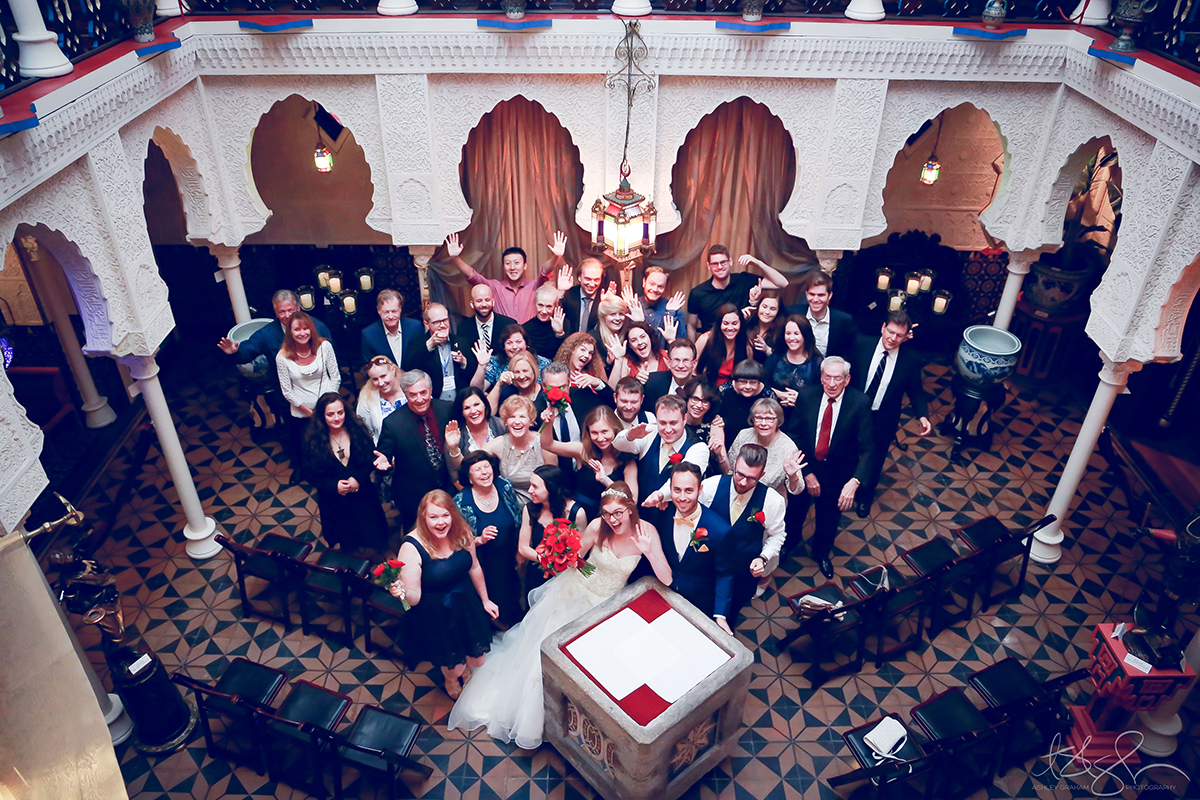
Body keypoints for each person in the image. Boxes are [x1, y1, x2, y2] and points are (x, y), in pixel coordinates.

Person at [447, 481, 672, 749]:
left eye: (618, 513)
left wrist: (648, 552)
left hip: (608, 607)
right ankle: (540, 716)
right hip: (574, 593)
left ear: (630, 510)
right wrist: (567, 559)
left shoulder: (647, 532)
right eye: (607, 513)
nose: (612, 520)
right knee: (550, 653)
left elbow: (666, 579)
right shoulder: (597, 527)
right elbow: (577, 556)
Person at [392, 491, 499, 699]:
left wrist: (485, 599)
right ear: (423, 518)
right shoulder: (411, 547)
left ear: (452, 515)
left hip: (466, 604)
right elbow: (413, 598)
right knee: (454, 667)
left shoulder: (462, 532)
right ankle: (451, 678)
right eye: (433, 517)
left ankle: (466, 671)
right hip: (436, 613)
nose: (440, 523)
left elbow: (474, 567)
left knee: (478, 660)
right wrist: (402, 593)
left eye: (445, 516)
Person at [784, 357, 872, 579]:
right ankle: (789, 542)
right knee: (794, 512)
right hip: (807, 467)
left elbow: (869, 448)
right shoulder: (806, 396)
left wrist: (855, 481)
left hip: (837, 474)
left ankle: (821, 553)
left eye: (837, 378)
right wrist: (806, 473)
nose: (832, 383)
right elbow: (793, 435)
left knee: (829, 518)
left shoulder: (860, 402)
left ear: (847, 379)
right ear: (821, 377)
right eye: (827, 377)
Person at [703, 444, 798, 626]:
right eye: (740, 474)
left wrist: (763, 558)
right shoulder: (711, 486)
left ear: (761, 476)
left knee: (730, 614)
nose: (743, 482)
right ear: (734, 466)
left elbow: (777, 536)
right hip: (707, 565)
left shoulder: (771, 500)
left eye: (752, 478)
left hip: (743, 572)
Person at [851, 310, 932, 519]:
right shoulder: (861, 345)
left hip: (882, 419)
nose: (893, 338)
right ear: (883, 328)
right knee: (846, 452)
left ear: (906, 337)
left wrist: (922, 415)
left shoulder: (911, 359)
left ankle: (864, 497)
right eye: (890, 332)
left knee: (874, 460)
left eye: (899, 335)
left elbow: (915, 389)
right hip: (852, 414)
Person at [216, 289, 334, 430]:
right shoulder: (268, 333)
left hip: (320, 393)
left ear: (298, 307)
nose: (287, 315)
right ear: (275, 312)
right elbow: (247, 351)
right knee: (297, 436)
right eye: (281, 312)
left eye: (290, 310)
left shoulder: (318, 327)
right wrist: (234, 352)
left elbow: (332, 363)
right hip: (288, 398)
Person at [637, 462, 731, 623]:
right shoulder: (662, 513)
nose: (682, 497)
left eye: (689, 490)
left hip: (697, 601)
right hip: (660, 590)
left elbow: (724, 574)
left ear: (700, 490)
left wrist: (720, 614)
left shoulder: (720, 530)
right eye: (677, 490)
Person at [303, 392, 388, 554]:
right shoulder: (313, 440)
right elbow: (309, 473)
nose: (336, 418)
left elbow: (370, 459)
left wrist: (358, 479)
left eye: (340, 412)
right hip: (334, 501)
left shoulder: (358, 431)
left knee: (374, 532)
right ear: (322, 416)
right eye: (330, 414)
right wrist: (334, 486)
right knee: (347, 540)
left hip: (363, 494)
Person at [374, 369, 454, 530]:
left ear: (430, 391)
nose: (419, 399)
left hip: (449, 487)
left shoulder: (447, 409)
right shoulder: (393, 423)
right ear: (405, 395)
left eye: (423, 393)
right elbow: (383, 455)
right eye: (412, 395)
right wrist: (383, 462)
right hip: (413, 495)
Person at [455, 451, 525, 628]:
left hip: (510, 554)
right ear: (469, 476)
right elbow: (459, 541)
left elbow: (517, 517)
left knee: (513, 591)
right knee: (493, 594)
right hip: (483, 561)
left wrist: (520, 549)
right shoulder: (462, 501)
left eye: (486, 467)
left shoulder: (504, 486)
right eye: (477, 469)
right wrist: (479, 539)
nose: (484, 472)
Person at [445, 231, 566, 324]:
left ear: (525, 266)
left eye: (517, 263)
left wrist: (557, 257)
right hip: (505, 343)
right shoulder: (494, 287)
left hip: (530, 340)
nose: (512, 267)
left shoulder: (535, 286)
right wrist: (456, 258)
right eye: (508, 263)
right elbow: (472, 275)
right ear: (504, 266)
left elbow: (544, 270)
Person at [540, 404, 636, 516]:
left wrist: (605, 480)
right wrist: (548, 422)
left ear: (615, 430)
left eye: (604, 432)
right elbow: (548, 444)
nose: (600, 438)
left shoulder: (627, 460)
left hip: (610, 518)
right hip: (580, 515)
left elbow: (632, 500)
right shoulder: (582, 450)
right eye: (594, 433)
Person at [276, 311, 341, 472]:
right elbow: (287, 390)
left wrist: (327, 406)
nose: (302, 333)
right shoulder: (282, 357)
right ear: (290, 332)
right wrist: (309, 412)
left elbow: (336, 377)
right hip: (302, 414)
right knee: (308, 447)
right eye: (297, 329)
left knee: (334, 443)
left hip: (329, 409)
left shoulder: (324, 347)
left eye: (306, 328)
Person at [612, 394, 709, 502]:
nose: (668, 429)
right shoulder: (651, 432)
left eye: (673, 423)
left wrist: (661, 495)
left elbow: (687, 479)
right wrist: (630, 435)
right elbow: (617, 444)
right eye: (662, 423)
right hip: (642, 508)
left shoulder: (698, 447)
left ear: (684, 419)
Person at [517, 465, 587, 598]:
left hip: (566, 575)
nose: (529, 490)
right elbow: (523, 547)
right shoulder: (530, 509)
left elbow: (581, 549)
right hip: (537, 572)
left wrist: (565, 561)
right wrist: (546, 560)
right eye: (530, 485)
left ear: (552, 488)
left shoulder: (576, 513)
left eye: (535, 487)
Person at [686, 247, 788, 337]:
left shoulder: (744, 280)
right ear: (708, 266)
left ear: (730, 262)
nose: (720, 267)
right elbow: (691, 326)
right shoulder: (698, 293)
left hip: (741, 342)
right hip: (711, 343)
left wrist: (758, 263)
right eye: (715, 264)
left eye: (723, 262)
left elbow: (782, 283)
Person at [713, 397, 804, 496]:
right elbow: (729, 471)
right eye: (759, 418)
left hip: (769, 500)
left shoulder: (788, 446)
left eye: (769, 419)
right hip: (737, 494)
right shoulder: (743, 435)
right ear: (752, 419)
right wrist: (720, 455)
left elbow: (797, 490)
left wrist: (792, 476)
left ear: (778, 421)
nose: (763, 423)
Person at [479, 395, 553, 504]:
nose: (517, 422)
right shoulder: (499, 443)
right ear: (505, 421)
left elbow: (554, 483)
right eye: (512, 417)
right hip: (510, 509)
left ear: (531, 420)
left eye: (522, 417)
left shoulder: (542, 443)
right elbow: (471, 462)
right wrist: (454, 450)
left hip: (541, 507)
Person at [787, 271, 858, 358]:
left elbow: (848, 354)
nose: (815, 299)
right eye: (812, 294)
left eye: (821, 295)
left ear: (829, 296)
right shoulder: (792, 313)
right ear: (806, 294)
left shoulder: (844, 321)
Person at [453, 284, 516, 379]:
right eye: (479, 301)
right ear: (472, 304)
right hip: (475, 381)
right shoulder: (463, 328)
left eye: (487, 300)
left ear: (493, 302)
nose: (484, 304)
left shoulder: (509, 324)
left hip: (505, 381)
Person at [765, 315, 823, 416]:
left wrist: (800, 399)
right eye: (788, 333)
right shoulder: (776, 356)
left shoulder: (817, 363)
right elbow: (761, 384)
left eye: (796, 334)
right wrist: (780, 394)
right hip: (772, 412)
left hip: (803, 415)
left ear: (805, 335)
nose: (792, 338)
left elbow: (819, 394)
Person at [551, 333, 613, 422]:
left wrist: (597, 383)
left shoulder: (593, 374)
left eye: (590, 353)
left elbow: (612, 401)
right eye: (582, 350)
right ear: (571, 350)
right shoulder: (557, 376)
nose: (587, 355)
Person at [714, 359, 774, 450]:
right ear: (735, 381)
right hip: (727, 437)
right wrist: (716, 417)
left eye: (753, 383)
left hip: (756, 442)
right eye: (742, 382)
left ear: (759, 382)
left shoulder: (768, 395)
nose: (747, 387)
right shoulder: (724, 391)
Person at [445, 386, 506, 473]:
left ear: (484, 404)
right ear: (461, 412)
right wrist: (453, 447)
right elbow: (455, 475)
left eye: (476, 404)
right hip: (471, 485)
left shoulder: (501, 425)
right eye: (467, 408)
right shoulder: (455, 434)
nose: (473, 411)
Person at [360, 289, 425, 370]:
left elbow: (423, 358)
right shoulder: (368, 335)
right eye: (386, 312)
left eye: (394, 311)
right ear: (378, 310)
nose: (390, 316)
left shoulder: (416, 327)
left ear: (400, 309)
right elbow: (369, 368)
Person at [472, 324, 551, 390]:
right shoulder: (495, 363)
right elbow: (476, 390)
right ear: (504, 346)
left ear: (526, 344)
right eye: (509, 343)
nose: (514, 347)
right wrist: (482, 366)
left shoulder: (543, 363)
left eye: (518, 342)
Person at [419, 302, 469, 403]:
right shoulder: (418, 344)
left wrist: (463, 362)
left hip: (460, 400)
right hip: (434, 401)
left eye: (445, 320)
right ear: (426, 324)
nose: (443, 325)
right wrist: (430, 344)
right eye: (437, 322)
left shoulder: (461, 341)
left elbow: (472, 372)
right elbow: (410, 367)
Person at [696, 304, 754, 387]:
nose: (730, 328)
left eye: (734, 323)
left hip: (732, 395)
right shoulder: (705, 340)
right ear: (719, 324)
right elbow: (692, 369)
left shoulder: (746, 347)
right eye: (726, 323)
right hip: (706, 392)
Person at [629, 267, 685, 347]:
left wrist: (670, 314)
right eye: (651, 284)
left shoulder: (674, 309)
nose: (655, 289)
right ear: (644, 282)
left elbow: (681, 344)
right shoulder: (633, 306)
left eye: (660, 286)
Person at [356, 355, 406, 443]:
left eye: (383, 376)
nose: (381, 383)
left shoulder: (410, 387)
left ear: (393, 370)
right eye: (375, 379)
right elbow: (365, 429)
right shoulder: (367, 397)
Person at [609, 321, 667, 388]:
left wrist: (671, 341)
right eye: (633, 340)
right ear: (630, 346)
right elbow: (612, 389)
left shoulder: (665, 356)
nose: (639, 342)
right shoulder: (626, 362)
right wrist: (618, 360)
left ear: (650, 337)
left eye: (642, 337)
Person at [643, 338, 698, 408]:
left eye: (686, 360)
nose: (681, 366)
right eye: (676, 360)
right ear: (669, 362)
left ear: (694, 364)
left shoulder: (701, 388)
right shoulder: (652, 383)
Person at [559, 258, 606, 335]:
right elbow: (554, 314)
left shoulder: (604, 297)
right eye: (588, 279)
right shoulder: (569, 294)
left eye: (596, 280)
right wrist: (560, 292)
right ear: (579, 277)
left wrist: (608, 306)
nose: (592, 284)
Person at [489, 350, 544, 415]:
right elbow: (488, 414)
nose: (521, 376)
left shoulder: (544, 394)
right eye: (517, 372)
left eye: (525, 371)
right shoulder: (506, 390)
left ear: (534, 371)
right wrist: (498, 384)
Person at [523, 284, 567, 359]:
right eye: (540, 305)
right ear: (535, 304)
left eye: (549, 306)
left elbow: (565, 355)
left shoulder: (565, 324)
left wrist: (559, 334)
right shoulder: (525, 328)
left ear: (555, 307)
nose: (544, 311)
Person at [588, 292, 628, 366]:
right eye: (612, 314)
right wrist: (608, 363)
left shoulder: (628, 336)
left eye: (621, 314)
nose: (617, 318)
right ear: (603, 317)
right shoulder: (593, 338)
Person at [747, 289, 784, 362]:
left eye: (772, 309)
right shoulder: (748, 323)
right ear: (758, 306)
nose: (767, 312)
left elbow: (783, 359)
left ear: (778, 311)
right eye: (764, 306)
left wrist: (767, 350)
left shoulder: (782, 331)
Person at [681, 378, 719, 446]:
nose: (699, 405)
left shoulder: (714, 425)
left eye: (705, 401)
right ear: (687, 399)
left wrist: (719, 453)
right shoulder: (676, 422)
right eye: (695, 399)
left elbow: (723, 455)